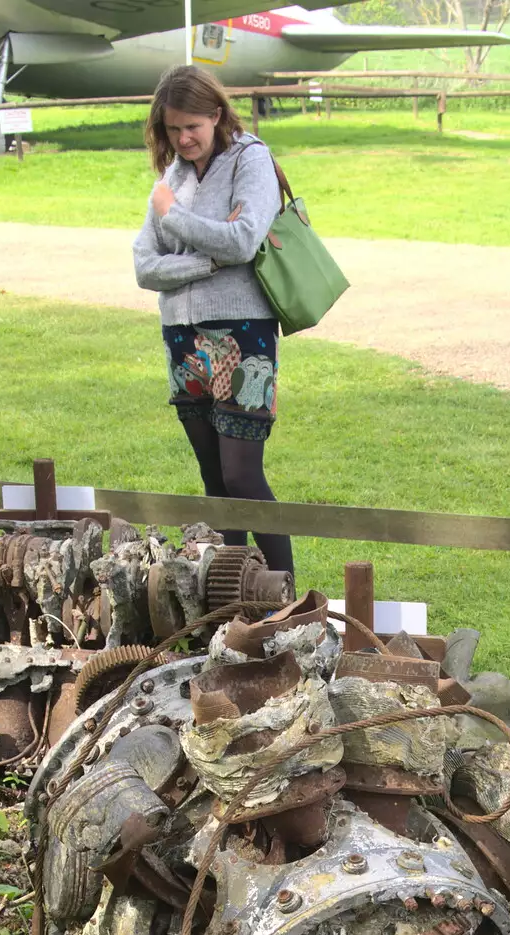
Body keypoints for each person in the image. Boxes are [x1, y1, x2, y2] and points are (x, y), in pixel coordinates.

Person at [133, 65, 293, 579]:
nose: (183, 139)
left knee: (242, 474)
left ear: (216, 114)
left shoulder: (252, 159)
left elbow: (244, 239)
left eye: (193, 127)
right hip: (182, 336)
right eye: (173, 129)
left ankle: (284, 600)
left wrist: (174, 217)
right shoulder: (172, 178)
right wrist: (207, 261)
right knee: (213, 479)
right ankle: (236, 595)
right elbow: (144, 267)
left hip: (243, 334)